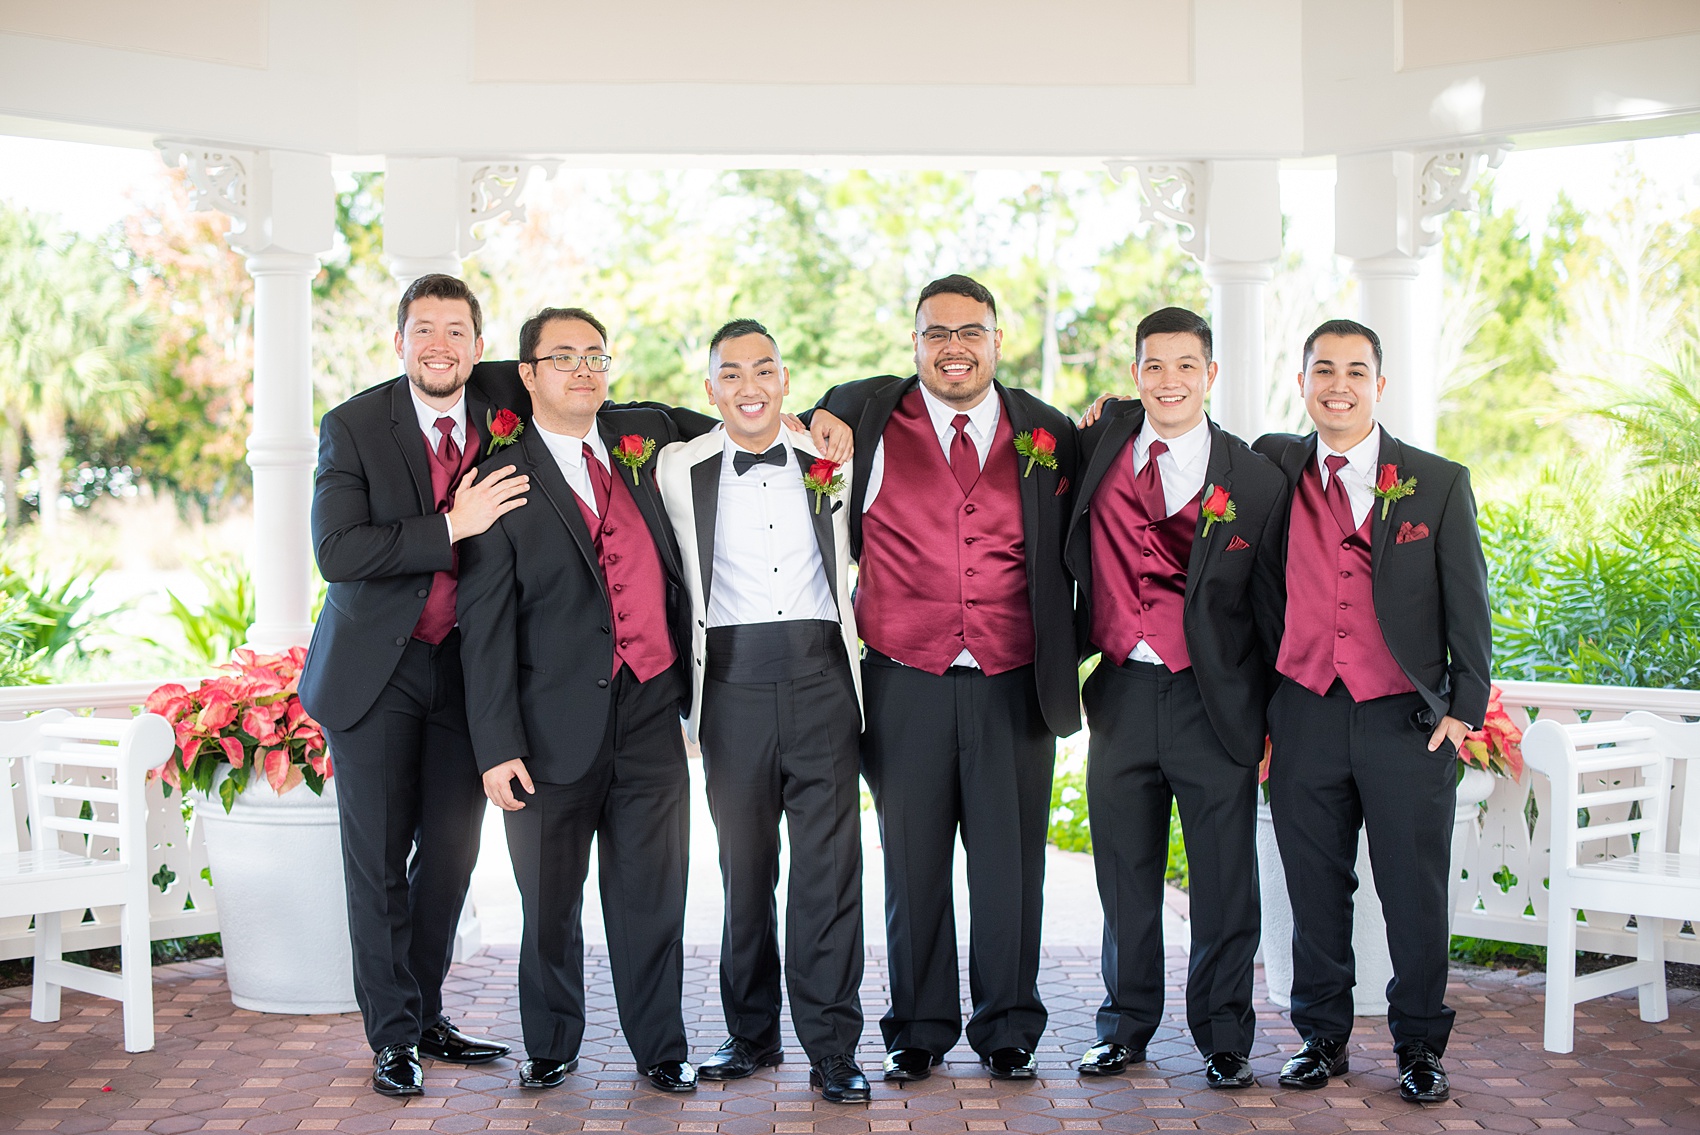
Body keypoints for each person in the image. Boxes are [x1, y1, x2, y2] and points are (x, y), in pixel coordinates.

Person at [813, 274, 1078, 1082]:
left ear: (998, 340)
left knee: (1012, 865)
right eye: (937, 333)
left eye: (970, 332)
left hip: (1014, 679)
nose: (954, 346)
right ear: (915, 342)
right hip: (905, 678)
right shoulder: (867, 419)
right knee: (913, 862)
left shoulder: (1049, 431)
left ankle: (1008, 1027)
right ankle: (918, 1027)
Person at [456, 307, 701, 1094]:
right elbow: (483, 626)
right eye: (562, 358)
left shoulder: (646, 450)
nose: (584, 370)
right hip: (546, 728)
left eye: (595, 356)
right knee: (550, 905)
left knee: (654, 897)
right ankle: (553, 1041)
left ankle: (661, 1045)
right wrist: (495, 744)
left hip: (650, 714)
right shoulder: (499, 477)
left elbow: (736, 414)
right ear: (527, 376)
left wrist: (819, 417)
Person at [1253, 319, 1491, 1105]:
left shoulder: (1435, 480)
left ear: (1379, 386)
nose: (1339, 385)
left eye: (1356, 371)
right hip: (1305, 712)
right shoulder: (1272, 466)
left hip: (1405, 725)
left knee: (1412, 892)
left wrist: (1463, 710)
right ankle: (1321, 1039)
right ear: (1303, 381)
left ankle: (1420, 1044)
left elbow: (1470, 610)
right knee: (1314, 888)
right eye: (1324, 369)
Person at [300, 274, 527, 1096]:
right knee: (378, 860)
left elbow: (604, 399)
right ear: (398, 340)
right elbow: (339, 552)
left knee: (453, 857)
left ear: (478, 342)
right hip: (376, 671)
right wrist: (449, 528)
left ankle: (426, 1011)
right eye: (423, 329)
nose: (441, 344)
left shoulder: (507, 400)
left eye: (457, 330)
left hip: (467, 672)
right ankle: (392, 1035)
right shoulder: (355, 425)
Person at [1064, 307, 1288, 1088]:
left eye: (1185, 366)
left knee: (1225, 879)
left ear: (1210, 374)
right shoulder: (1098, 445)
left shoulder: (1255, 479)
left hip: (1214, 700)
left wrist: (1266, 719)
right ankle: (1124, 1027)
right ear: (1135, 376)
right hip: (1123, 690)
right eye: (1154, 366)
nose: (1170, 381)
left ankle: (1224, 1035)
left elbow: (1272, 609)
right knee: (1125, 875)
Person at [656, 319, 868, 1103]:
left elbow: (884, 398)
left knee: (829, 874)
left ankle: (834, 1047)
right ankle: (750, 1033)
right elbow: (609, 413)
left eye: (765, 371)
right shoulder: (680, 468)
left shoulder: (831, 456)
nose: (750, 386)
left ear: (786, 380)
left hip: (822, 685)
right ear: (711, 388)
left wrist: (831, 411)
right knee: (745, 872)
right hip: (732, 692)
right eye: (732, 374)